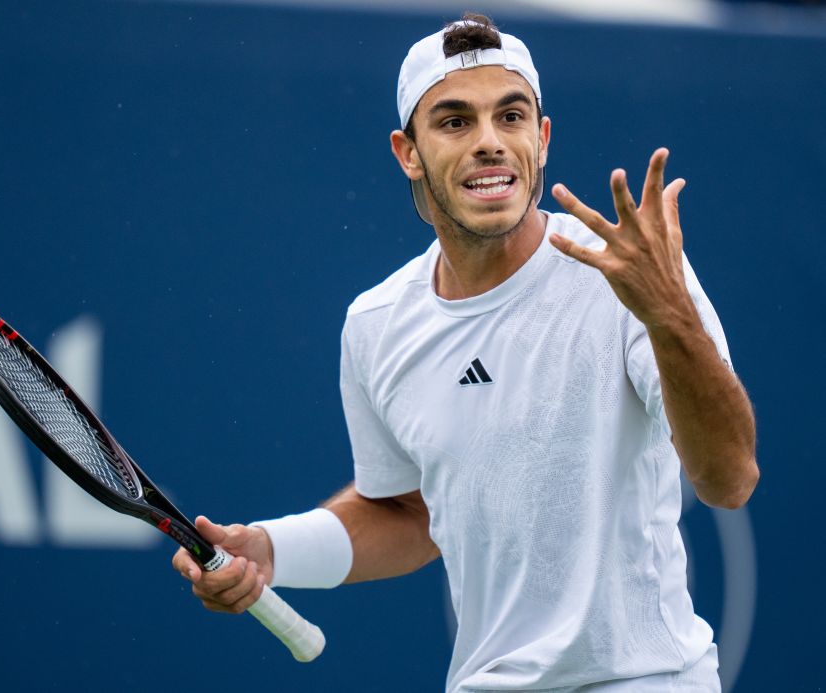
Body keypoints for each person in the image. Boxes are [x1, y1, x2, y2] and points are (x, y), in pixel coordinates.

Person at [172, 13, 758, 691]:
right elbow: (411, 513)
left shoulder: (633, 276)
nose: (489, 143)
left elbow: (730, 479)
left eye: (510, 117)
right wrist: (273, 550)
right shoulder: (377, 323)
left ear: (541, 137)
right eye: (454, 122)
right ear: (407, 152)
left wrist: (667, 317)